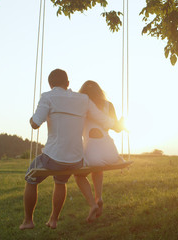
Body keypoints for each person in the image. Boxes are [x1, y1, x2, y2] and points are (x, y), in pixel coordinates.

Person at [19, 69, 116, 230]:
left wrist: (31, 118)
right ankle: (53, 219)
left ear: (51, 84)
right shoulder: (83, 99)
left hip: (53, 157)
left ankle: (28, 221)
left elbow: (35, 123)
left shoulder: (48, 97)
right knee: (60, 181)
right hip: (75, 160)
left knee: (30, 177)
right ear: (68, 83)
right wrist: (120, 125)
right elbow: (103, 119)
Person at [74, 80, 125, 222]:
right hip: (111, 152)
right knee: (98, 167)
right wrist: (122, 122)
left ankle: (92, 204)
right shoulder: (109, 105)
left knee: (78, 175)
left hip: (92, 150)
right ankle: (99, 197)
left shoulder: (81, 106)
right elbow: (117, 128)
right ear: (100, 91)